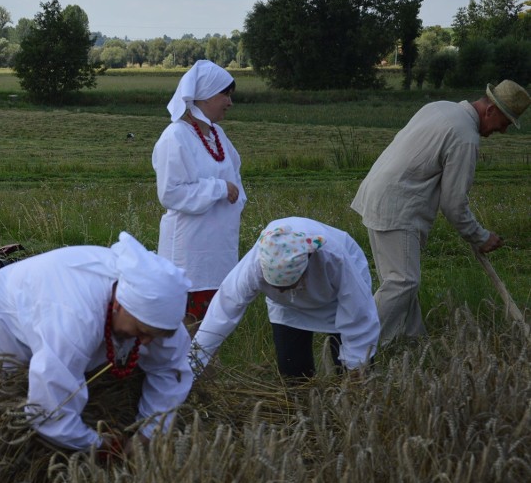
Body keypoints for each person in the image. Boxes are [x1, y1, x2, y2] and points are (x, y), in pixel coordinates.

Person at [0, 232, 193, 454]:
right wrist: (97, 444)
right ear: (119, 304)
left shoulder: (158, 312)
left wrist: (148, 434)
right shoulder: (75, 319)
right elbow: (48, 412)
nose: (148, 341)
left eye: (155, 334)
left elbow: (169, 370)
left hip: (48, 317)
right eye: (141, 331)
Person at [351, 80, 530, 343]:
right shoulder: (465, 137)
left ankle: (413, 341)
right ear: (491, 110)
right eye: (504, 122)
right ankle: (349, 347)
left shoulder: (440, 107)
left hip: (379, 195)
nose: (502, 131)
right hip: (397, 208)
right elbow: (454, 204)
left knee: (402, 280)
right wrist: (480, 236)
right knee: (402, 283)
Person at [190, 217, 380, 381]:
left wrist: (356, 369)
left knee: (349, 371)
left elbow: (358, 313)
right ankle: (301, 414)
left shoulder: (333, 258)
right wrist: (192, 365)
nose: (281, 292)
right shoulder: (254, 265)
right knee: (294, 373)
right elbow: (221, 313)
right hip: (287, 310)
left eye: (287, 286)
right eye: (275, 287)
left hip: (336, 300)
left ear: (305, 270)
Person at [152, 60, 246, 334]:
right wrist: (219, 189)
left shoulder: (218, 135)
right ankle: (185, 377)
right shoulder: (176, 137)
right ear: (204, 96)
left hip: (219, 249)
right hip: (189, 253)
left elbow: (236, 179)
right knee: (187, 328)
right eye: (225, 95)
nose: (230, 103)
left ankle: (208, 376)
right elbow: (171, 193)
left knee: (212, 329)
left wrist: (236, 200)